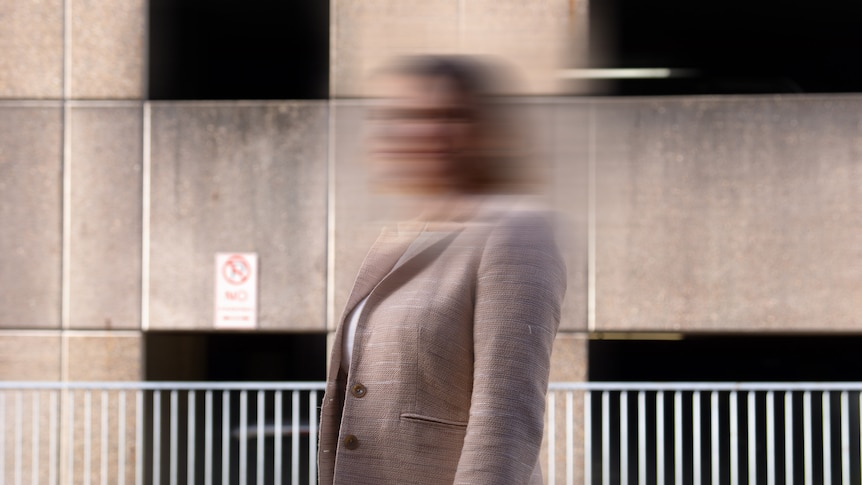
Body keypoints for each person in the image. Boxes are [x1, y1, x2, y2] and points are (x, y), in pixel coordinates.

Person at [317, 55, 566, 485]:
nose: (421, 131)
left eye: (447, 116)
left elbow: (504, 422)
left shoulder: (516, 232)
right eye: (403, 117)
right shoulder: (397, 238)